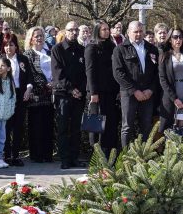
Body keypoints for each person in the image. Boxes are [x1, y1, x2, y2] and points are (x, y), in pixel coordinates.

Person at [113, 20, 160, 147]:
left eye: (141, 31)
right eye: (135, 32)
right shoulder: (120, 49)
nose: (138, 34)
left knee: (146, 126)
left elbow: (158, 73)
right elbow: (118, 73)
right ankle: (126, 159)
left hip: (147, 94)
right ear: (128, 33)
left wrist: (151, 89)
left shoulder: (152, 49)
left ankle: (145, 157)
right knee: (127, 127)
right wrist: (134, 90)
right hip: (129, 94)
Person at [51, 21, 87, 169]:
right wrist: (71, 89)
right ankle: (65, 158)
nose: (73, 32)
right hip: (63, 95)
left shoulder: (82, 49)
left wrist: (81, 90)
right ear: (65, 32)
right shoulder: (57, 49)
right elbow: (57, 73)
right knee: (63, 128)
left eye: (75, 30)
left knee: (76, 128)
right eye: (70, 30)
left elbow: (86, 73)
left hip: (79, 95)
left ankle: (74, 157)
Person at [84, 20, 120, 156]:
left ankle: (109, 154)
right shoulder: (91, 47)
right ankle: (97, 154)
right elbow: (90, 71)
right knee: (97, 124)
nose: (106, 31)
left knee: (110, 123)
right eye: (103, 29)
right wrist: (93, 92)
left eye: (107, 29)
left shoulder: (111, 46)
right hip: (97, 92)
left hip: (111, 91)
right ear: (97, 31)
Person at [24, 26, 55, 162]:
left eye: (41, 36)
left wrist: (53, 83)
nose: (39, 38)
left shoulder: (48, 52)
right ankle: (36, 155)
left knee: (47, 125)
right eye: (36, 36)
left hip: (49, 94)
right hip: (35, 94)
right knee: (36, 125)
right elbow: (30, 74)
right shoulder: (28, 55)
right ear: (31, 39)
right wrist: (44, 84)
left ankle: (47, 154)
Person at [158, 27, 183, 134]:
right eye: (175, 37)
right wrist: (174, 99)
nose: (178, 40)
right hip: (171, 96)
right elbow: (163, 79)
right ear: (170, 39)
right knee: (168, 128)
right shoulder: (164, 56)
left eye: (180, 37)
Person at [1, 34, 31, 166]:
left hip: (20, 94)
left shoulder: (22, 59)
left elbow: (29, 77)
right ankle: (6, 155)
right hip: (5, 95)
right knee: (6, 127)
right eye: (6, 45)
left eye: (11, 45)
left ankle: (15, 155)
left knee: (18, 126)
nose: (8, 48)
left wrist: (28, 90)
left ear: (16, 46)